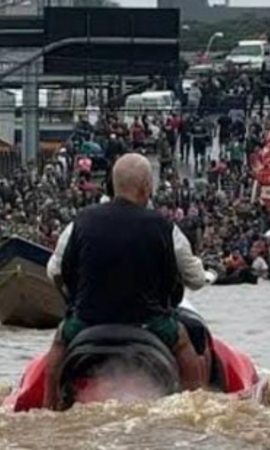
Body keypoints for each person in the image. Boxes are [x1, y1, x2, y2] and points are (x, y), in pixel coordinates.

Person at [44, 154, 209, 410]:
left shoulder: (81, 222)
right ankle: (196, 407)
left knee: (59, 342)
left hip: (87, 321)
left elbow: (54, 271)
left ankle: (48, 409)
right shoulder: (165, 227)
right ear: (146, 186)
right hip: (149, 323)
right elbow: (196, 279)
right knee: (184, 341)